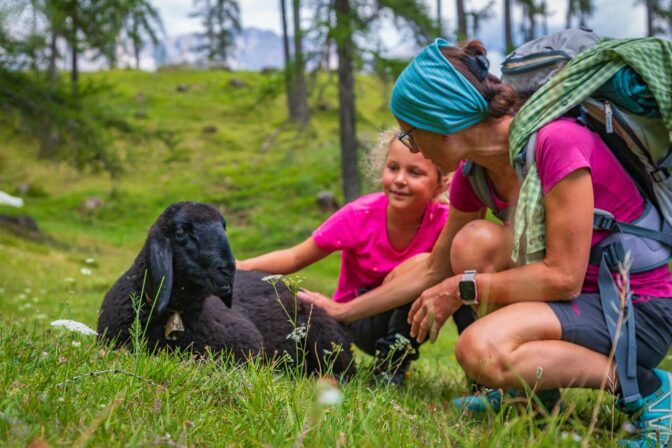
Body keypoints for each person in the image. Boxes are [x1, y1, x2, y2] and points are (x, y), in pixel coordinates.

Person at [307, 38, 672, 447]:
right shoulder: (473, 174)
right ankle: (531, 399)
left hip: (633, 306)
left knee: (480, 350)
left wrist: (464, 288)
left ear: (440, 124)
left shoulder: (556, 142)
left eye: (411, 135)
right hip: (575, 301)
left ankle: (648, 389)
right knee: (473, 242)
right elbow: (436, 266)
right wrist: (341, 310)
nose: (412, 146)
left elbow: (564, 277)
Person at [237, 129, 450, 384]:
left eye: (415, 172)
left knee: (441, 267)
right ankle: (388, 370)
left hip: (410, 320)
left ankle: (466, 377)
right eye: (393, 168)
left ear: (442, 183)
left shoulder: (446, 222)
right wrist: (242, 266)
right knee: (422, 267)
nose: (400, 180)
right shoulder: (359, 215)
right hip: (355, 320)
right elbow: (295, 257)